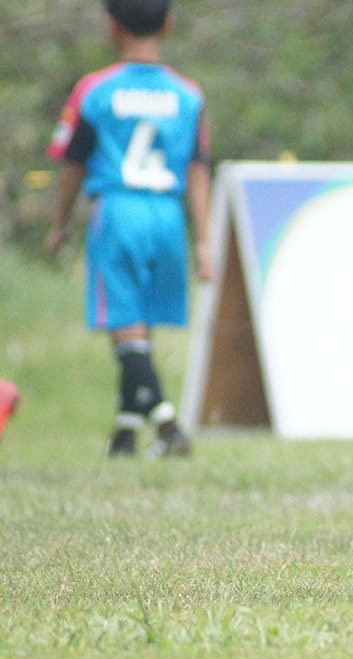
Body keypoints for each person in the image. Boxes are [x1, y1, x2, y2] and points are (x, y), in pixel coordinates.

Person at [44, 0, 213, 458]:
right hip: (167, 214)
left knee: (123, 323)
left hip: (118, 210)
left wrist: (59, 225)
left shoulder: (95, 90)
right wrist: (203, 240)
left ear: (112, 27)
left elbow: (72, 162)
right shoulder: (188, 94)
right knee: (139, 324)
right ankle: (124, 431)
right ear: (170, 24)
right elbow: (199, 167)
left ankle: (166, 421)